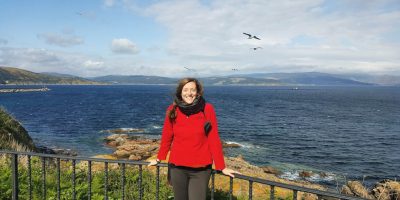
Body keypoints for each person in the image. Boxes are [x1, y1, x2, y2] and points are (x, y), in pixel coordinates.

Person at [149, 77, 239, 200]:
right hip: (177, 168)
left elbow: (213, 138)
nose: (189, 93)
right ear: (180, 92)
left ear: (198, 92)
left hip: (200, 170)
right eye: (185, 90)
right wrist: (159, 158)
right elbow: (167, 136)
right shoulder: (172, 109)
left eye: (192, 90)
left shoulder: (207, 109)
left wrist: (221, 166)